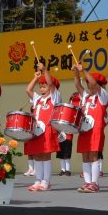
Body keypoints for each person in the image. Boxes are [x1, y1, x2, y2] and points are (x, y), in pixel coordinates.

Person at [72, 64, 108, 193]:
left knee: (93, 156)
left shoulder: (102, 96)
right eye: (88, 85)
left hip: (95, 129)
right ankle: (87, 182)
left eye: (92, 85)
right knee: (85, 156)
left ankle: (95, 183)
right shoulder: (86, 96)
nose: (90, 87)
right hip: (84, 130)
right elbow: (77, 84)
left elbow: (95, 84)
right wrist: (76, 72)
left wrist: (84, 70)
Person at [25, 63, 61, 191]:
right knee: (37, 155)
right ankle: (38, 180)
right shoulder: (37, 99)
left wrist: (45, 70)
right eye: (40, 87)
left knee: (46, 155)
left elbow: (51, 84)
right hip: (37, 130)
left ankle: (46, 181)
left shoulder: (55, 97)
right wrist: (36, 78)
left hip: (48, 129)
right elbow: (28, 90)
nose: (41, 89)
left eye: (44, 86)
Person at [56, 92, 79, 177]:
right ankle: (62, 169)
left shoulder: (73, 115)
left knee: (66, 155)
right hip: (60, 137)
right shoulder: (63, 113)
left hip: (68, 137)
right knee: (61, 155)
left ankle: (67, 170)